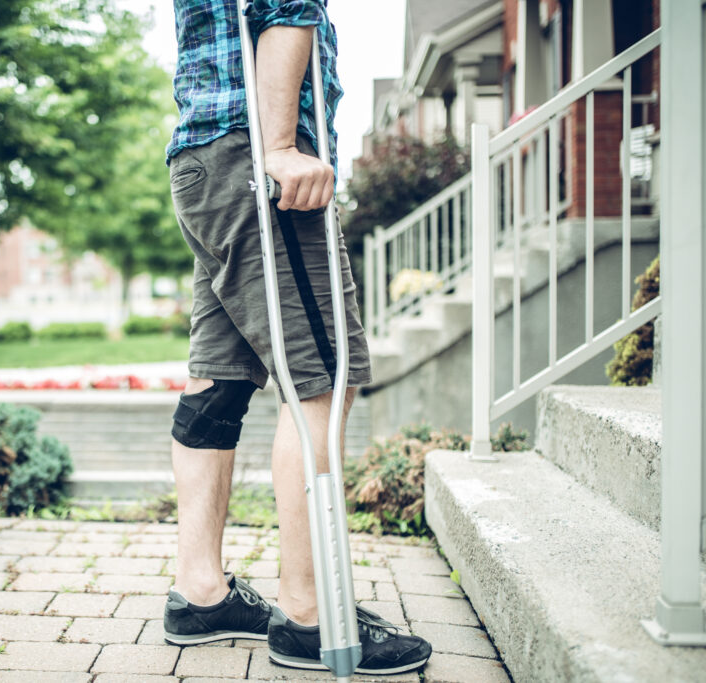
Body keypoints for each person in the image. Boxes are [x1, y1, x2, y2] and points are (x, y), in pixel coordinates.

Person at [160, 0, 432, 676]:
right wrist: (280, 146)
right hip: (257, 164)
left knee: (216, 381)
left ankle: (200, 594)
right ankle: (311, 616)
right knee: (322, 377)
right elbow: (285, 6)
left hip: (203, 160)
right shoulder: (268, 149)